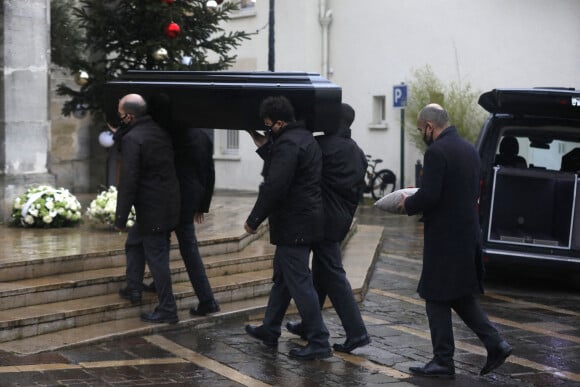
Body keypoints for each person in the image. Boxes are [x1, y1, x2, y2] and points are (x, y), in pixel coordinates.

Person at [399, 103, 512, 378]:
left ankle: (443, 361)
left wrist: (407, 203)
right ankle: (496, 343)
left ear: (429, 126)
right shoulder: (469, 149)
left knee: (434, 296)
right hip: (467, 234)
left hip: (445, 239)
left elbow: (430, 195)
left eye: (420, 129)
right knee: (460, 296)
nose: (421, 134)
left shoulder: (437, 152)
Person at [243, 96, 331, 360]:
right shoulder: (305, 138)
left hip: (294, 224)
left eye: (269, 126)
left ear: (280, 123)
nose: (268, 131)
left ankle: (319, 340)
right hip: (306, 219)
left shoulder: (288, 144)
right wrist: (260, 140)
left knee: (300, 283)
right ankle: (270, 328)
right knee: (282, 279)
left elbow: (275, 185)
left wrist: (253, 219)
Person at [285, 103, 371, 353]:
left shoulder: (322, 147)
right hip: (340, 220)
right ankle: (309, 325)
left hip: (320, 219)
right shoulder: (357, 151)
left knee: (332, 274)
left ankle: (357, 333)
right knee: (322, 274)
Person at [147, 94, 220, 317]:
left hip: (172, 199)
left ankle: (172, 302)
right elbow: (209, 172)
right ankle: (206, 299)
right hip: (191, 199)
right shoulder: (203, 133)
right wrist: (203, 205)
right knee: (188, 248)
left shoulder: (174, 133)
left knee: (160, 245)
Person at [114, 93, 180, 325]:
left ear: (130, 116)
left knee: (157, 259)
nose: (119, 119)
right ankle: (134, 287)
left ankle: (168, 309)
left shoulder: (135, 139)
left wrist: (120, 217)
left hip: (153, 209)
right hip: (165, 205)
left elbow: (128, 180)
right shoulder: (157, 131)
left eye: (121, 116)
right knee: (134, 243)